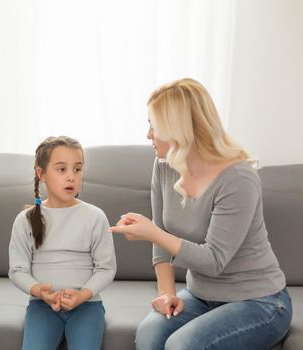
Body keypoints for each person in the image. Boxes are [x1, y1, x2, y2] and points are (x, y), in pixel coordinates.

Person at [110, 78, 292, 349]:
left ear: (178, 129)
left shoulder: (238, 177)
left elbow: (214, 260)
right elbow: (161, 244)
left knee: (182, 345)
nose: (148, 134)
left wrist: (152, 232)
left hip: (260, 301)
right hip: (201, 297)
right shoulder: (164, 167)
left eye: (153, 125)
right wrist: (167, 294)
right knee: (149, 333)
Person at [8, 136, 116, 350]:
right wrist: (39, 291)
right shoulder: (25, 220)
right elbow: (17, 270)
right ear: (42, 174)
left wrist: (83, 295)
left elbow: (106, 268)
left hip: (87, 305)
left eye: (77, 169)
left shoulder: (95, 216)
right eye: (61, 169)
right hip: (42, 306)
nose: (71, 177)